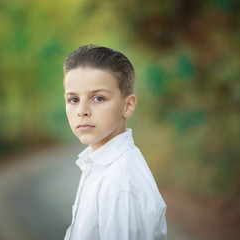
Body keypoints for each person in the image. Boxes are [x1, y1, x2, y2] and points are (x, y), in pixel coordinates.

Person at [63, 44, 167, 240]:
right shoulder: (98, 166)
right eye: (73, 99)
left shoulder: (120, 185)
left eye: (98, 98)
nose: (82, 110)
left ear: (127, 106)